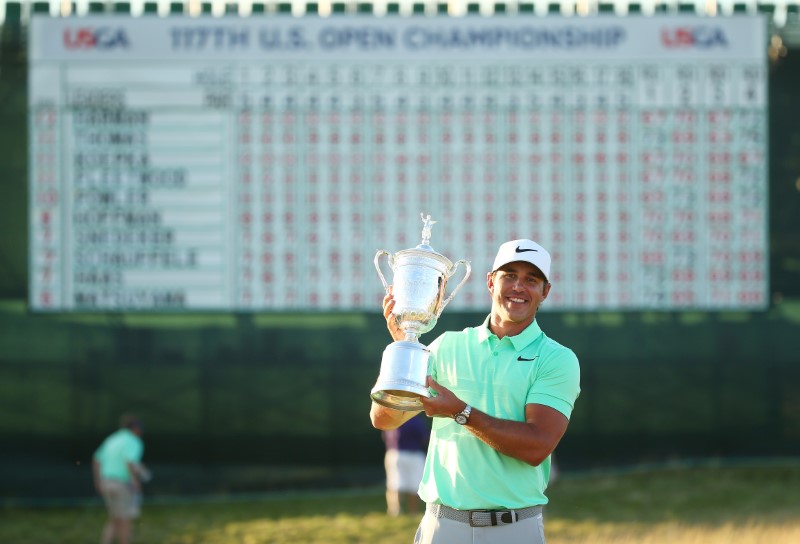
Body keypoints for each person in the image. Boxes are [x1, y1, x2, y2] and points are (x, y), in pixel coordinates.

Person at [370, 239, 580, 544]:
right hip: (441, 526)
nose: (518, 287)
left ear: (544, 291)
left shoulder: (557, 358)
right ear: (491, 282)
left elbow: (537, 446)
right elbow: (384, 418)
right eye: (509, 275)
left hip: (514, 529)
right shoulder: (446, 345)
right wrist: (406, 350)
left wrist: (460, 412)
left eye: (531, 280)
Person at [92, 413, 151, 544]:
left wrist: (98, 482)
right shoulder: (134, 441)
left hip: (106, 483)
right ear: (135, 428)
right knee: (125, 522)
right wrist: (135, 481)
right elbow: (130, 462)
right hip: (122, 485)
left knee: (114, 519)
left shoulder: (112, 439)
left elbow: (96, 460)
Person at [382, 412, 430, 517]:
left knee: (394, 484)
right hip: (413, 454)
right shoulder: (415, 419)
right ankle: (413, 512)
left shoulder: (393, 418)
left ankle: (394, 511)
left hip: (393, 453)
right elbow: (424, 437)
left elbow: (385, 436)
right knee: (414, 484)